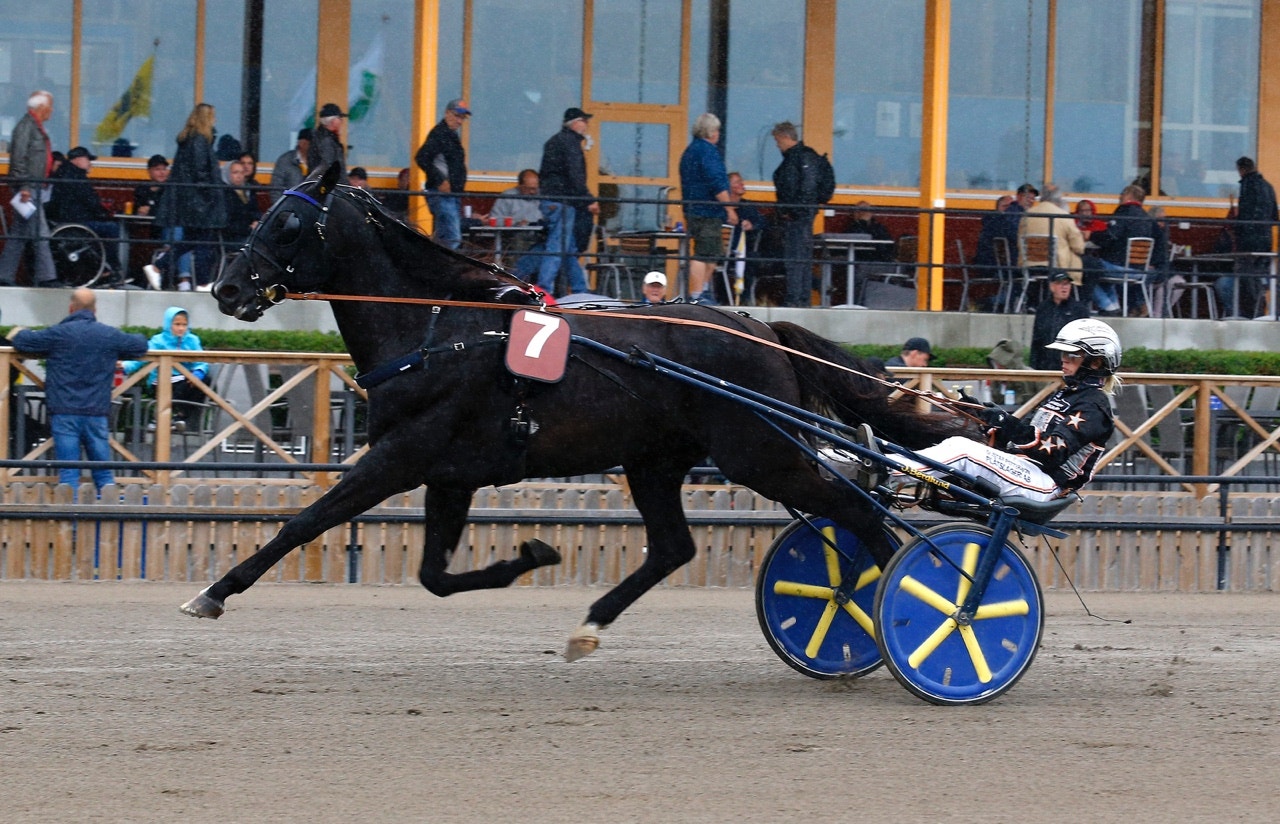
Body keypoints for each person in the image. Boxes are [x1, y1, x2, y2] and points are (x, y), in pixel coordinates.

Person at [851, 318, 1120, 503]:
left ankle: (887, 471)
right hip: (1027, 471)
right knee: (956, 439)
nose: (1063, 360)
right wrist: (986, 416)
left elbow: (1052, 453)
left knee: (962, 450)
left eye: (1071, 355)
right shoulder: (1069, 395)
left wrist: (1006, 422)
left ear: (1096, 362)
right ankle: (853, 461)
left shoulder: (1094, 406)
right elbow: (1024, 439)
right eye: (1063, 354)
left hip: (1046, 485)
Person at [7, 288, 148, 490]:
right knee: (103, 473)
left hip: (64, 411)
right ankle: (110, 517)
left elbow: (23, 341)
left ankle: (70, 519)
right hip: (96, 411)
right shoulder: (108, 334)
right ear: (95, 310)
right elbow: (139, 344)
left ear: (71, 308)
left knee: (68, 473)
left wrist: (18, 331)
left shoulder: (58, 334)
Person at [155, 102, 227, 291]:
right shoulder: (199, 141)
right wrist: (210, 193)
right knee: (204, 242)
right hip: (200, 203)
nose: (215, 120)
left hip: (190, 201)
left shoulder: (189, 140)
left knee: (190, 241)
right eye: (213, 116)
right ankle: (202, 282)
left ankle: (158, 266)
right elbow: (201, 171)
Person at [536, 106, 598, 296]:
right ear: (575, 123)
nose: (586, 125)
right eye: (584, 121)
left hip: (553, 199)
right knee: (556, 246)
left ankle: (580, 289)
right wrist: (587, 199)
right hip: (562, 201)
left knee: (568, 249)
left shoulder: (555, 141)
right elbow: (575, 175)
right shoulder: (570, 143)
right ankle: (543, 291)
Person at [0, 90, 59, 287]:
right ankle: (47, 277)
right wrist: (24, 187)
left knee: (19, 235)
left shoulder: (34, 127)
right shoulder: (26, 127)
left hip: (33, 188)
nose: (52, 110)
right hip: (28, 189)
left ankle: (4, 275)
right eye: (50, 105)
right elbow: (18, 159)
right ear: (41, 107)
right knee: (40, 232)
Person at [678, 112, 738, 304]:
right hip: (708, 211)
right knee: (704, 254)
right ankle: (697, 295)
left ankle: (701, 291)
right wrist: (729, 208)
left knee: (710, 253)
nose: (719, 133)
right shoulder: (708, 152)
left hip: (693, 208)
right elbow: (716, 182)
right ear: (711, 131)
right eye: (717, 129)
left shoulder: (689, 151)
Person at [122, 305, 209, 430]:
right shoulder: (158, 340)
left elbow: (202, 360)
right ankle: (164, 416)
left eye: (184, 325)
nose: (181, 328)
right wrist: (126, 366)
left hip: (184, 379)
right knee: (187, 384)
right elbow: (144, 356)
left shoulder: (193, 340)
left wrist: (199, 371)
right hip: (160, 380)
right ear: (168, 324)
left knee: (204, 380)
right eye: (177, 324)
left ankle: (178, 417)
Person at [1088, 184, 1168, 316]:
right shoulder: (1147, 219)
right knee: (1098, 268)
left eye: (1122, 194)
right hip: (1140, 271)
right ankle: (1114, 306)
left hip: (1121, 268)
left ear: (1129, 196)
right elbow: (1160, 242)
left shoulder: (1124, 212)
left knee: (1084, 267)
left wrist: (1091, 235)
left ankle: (1108, 306)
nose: (1120, 197)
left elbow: (1110, 236)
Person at [770, 120, 823, 307]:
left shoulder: (798, 158)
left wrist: (792, 211)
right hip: (801, 215)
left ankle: (796, 299)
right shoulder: (802, 157)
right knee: (800, 259)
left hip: (798, 217)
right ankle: (800, 298)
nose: (777, 145)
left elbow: (804, 188)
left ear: (785, 137)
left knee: (796, 259)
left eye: (778, 140)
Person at [1216, 156, 1277, 317]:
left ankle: (1251, 315)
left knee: (1247, 278)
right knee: (1258, 278)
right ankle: (1262, 313)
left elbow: (1246, 216)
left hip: (1249, 242)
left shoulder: (1248, 186)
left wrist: (1240, 231)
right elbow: (1273, 216)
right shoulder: (1268, 187)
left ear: (1241, 170)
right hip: (1266, 240)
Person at [415, 98, 471, 250]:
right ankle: (445, 270)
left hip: (451, 194)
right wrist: (440, 181)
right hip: (442, 194)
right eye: (457, 116)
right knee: (452, 238)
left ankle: (438, 269)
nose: (460, 121)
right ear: (447, 113)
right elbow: (421, 157)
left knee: (444, 237)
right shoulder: (440, 134)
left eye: (462, 118)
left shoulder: (449, 135)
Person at [46, 146, 122, 248]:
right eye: (88, 159)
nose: (90, 163)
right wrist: (104, 213)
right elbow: (90, 201)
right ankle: (112, 262)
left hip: (65, 219)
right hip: (77, 221)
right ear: (77, 160)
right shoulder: (77, 177)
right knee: (112, 228)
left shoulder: (65, 173)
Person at [1018, 184, 1086, 286]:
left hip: (1028, 265)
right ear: (1058, 198)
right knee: (1094, 266)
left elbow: (1019, 243)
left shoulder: (1026, 215)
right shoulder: (1063, 215)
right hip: (1057, 266)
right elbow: (1079, 248)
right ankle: (1081, 299)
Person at [489, 168, 545, 279]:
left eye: (535, 188)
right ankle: (519, 278)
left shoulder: (543, 197)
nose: (533, 192)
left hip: (539, 236)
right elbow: (494, 219)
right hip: (515, 236)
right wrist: (516, 223)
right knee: (519, 242)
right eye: (530, 189)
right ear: (520, 186)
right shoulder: (508, 196)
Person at [1030, 270, 1091, 370]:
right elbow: (1036, 340)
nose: (1065, 287)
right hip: (1044, 366)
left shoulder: (1079, 310)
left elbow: (1086, 343)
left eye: (1067, 284)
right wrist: (1033, 367)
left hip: (1069, 367)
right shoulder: (1043, 308)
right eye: (1060, 284)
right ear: (1052, 286)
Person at [223, 160, 260, 245]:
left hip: (250, 234)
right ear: (227, 174)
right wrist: (248, 228)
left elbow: (254, 210)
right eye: (235, 172)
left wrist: (257, 221)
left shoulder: (247, 191)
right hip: (232, 238)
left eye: (242, 172)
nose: (239, 176)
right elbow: (228, 224)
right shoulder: (224, 194)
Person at [308, 103, 348, 182]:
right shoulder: (326, 141)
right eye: (340, 118)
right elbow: (327, 167)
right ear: (333, 121)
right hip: (330, 190)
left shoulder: (321, 138)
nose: (342, 122)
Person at [270, 128, 311, 195]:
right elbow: (276, 187)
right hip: (289, 203)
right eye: (310, 143)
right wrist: (283, 205)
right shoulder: (285, 161)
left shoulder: (318, 161)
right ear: (301, 143)